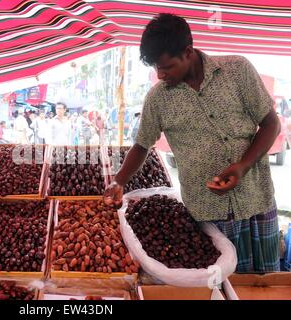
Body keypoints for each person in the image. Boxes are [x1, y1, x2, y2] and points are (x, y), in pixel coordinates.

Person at [104, 13, 281, 273]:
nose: (160, 74)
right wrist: (119, 180)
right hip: (208, 212)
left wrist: (242, 166)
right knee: (219, 284)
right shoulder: (158, 99)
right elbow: (142, 146)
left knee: (265, 282)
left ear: (188, 52)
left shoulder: (237, 70)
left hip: (257, 200)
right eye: (155, 68)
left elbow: (270, 124)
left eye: (166, 66)